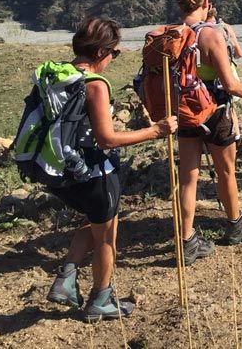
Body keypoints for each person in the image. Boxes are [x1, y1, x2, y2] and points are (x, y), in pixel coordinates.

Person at [45, 16, 178, 322]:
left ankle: (65, 280)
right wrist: (156, 131)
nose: (113, 59)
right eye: (114, 53)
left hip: (65, 172)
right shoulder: (94, 85)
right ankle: (100, 299)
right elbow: (106, 138)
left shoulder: (60, 75)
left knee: (95, 222)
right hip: (95, 173)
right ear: (102, 52)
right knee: (107, 236)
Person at [174, 0, 242, 262]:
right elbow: (229, 84)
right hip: (215, 111)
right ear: (206, 2)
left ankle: (186, 240)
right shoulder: (210, 35)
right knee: (226, 171)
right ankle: (236, 225)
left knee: (188, 178)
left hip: (186, 112)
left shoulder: (173, 34)